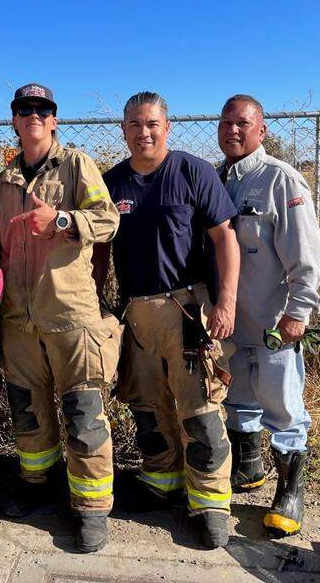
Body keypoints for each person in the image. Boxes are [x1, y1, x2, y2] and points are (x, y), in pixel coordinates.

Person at [94, 91, 241, 549]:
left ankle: (211, 502)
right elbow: (98, 252)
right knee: (147, 408)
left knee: (200, 410)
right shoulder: (110, 183)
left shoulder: (191, 171)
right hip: (135, 313)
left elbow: (225, 240)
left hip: (187, 310)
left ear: (167, 126)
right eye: (135, 125)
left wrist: (226, 301)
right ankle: (162, 483)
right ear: (123, 130)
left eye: (152, 123)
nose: (144, 132)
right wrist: (98, 302)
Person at [0, 83, 122, 552]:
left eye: (41, 109)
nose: (32, 115)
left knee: (84, 411)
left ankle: (91, 508)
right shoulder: (2, 180)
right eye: (23, 109)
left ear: (54, 119)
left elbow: (108, 220)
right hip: (18, 317)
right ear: (15, 120)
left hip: (70, 314)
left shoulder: (76, 164)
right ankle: (35, 482)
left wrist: (64, 221)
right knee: (28, 409)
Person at [215, 94, 320, 538]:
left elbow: (308, 254)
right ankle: (248, 468)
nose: (232, 131)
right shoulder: (217, 179)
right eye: (225, 123)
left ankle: (290, 492)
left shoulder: (280, 180)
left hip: (273, 323)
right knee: (238, 400)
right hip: (229, 323)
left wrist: (298, 313)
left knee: (282, 406)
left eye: (242, 123)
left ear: (261, 130)